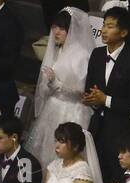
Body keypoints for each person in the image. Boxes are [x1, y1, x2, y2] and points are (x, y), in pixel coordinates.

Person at [83, 9, 130, 183]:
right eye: (103, 25)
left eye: (110, 26)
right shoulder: (96, 55)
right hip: (97, 127)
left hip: (121, 132)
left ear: (123, 32)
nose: (103, 30)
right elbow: (90, 87)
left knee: (114, 181)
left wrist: (106, 100)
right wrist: (91, 99)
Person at [28, 9, 96, 170]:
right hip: (52, 107)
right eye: (54, 27)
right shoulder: (57, 50)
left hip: (71, 111)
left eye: (62, 28)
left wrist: (55, 83)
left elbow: (81, 90)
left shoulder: (82, 55)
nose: (56, 32)